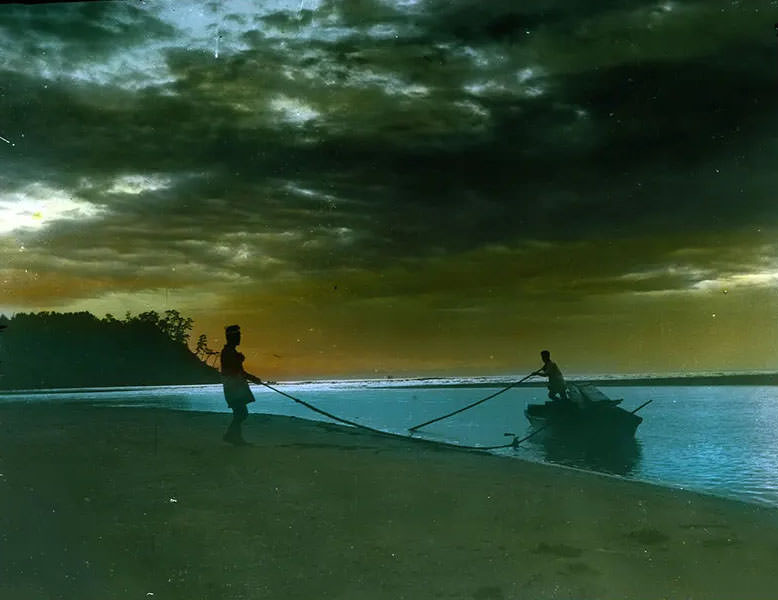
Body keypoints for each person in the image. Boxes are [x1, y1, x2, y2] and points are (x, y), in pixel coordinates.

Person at [221, 324, 262, 445]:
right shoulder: (228, 352)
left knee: (240, 412)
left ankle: (234, 437)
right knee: (241, 413)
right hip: (233, 387)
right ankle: (231, 436)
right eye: (237, 336)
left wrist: (253, 378)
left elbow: (239, 371)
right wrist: (239, 360)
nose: (240, 338)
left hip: (236, 387)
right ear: (231, 338)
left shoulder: (231, 352)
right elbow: (232, 371)